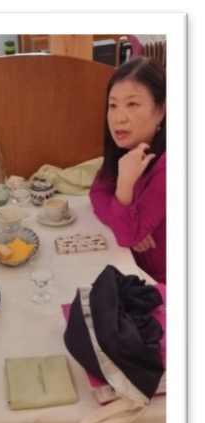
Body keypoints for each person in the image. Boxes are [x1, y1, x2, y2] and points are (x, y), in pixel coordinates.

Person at [89, 57, 166, 284]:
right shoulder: (128, 148)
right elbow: (97, 192)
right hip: (135, 268)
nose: (119, 118)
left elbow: (127, 236)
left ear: (161, 110)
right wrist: (125, 221)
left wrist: (124, 186)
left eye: (132, 104)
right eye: (113, 105)